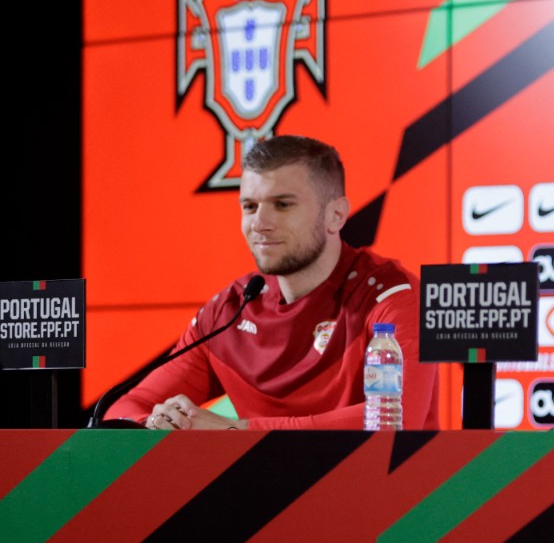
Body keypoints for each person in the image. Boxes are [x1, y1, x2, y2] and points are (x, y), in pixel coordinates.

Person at [106, 135, 439, 430]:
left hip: (379, 496)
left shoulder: (392, 297)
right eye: (250, 206)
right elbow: (123, 411)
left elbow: (397, 420)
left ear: (336, 215)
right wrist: (161, 423)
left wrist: (236, 431)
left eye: (283, 205)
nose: (260, 224)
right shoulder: (230, 312)